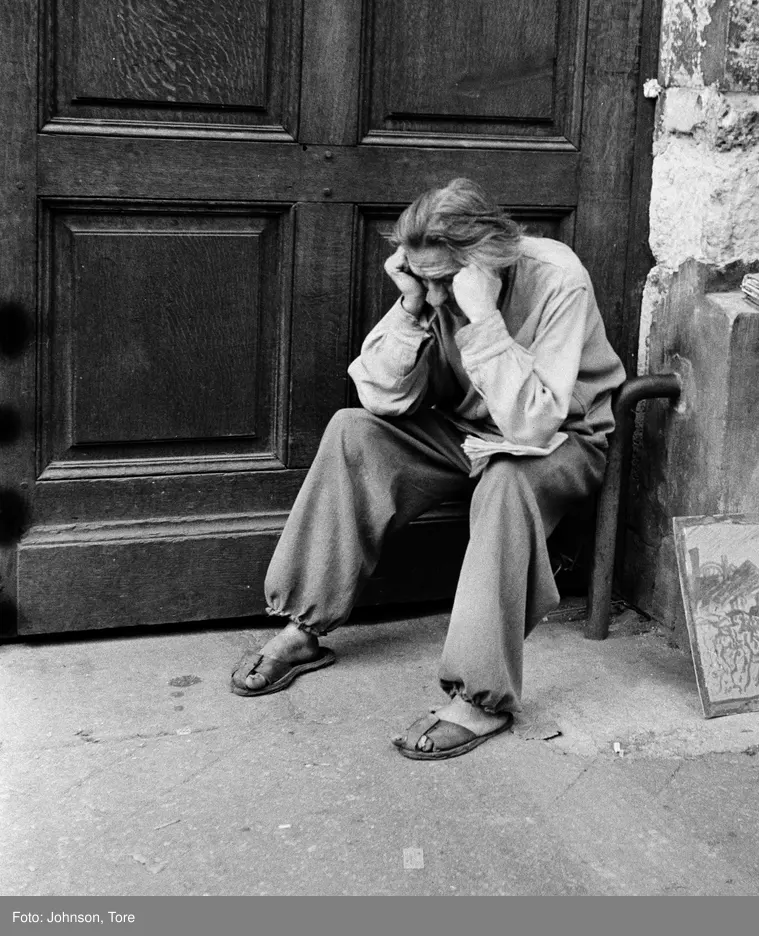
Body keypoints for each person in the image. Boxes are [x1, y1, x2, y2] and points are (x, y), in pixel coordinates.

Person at [229, 178, 626, 759]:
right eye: (422, 278)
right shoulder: (428, 288)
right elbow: (381, 397)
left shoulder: (558, 277)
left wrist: (484, 318)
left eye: (443, 282)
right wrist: (412, 307)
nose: (436, 295)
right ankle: (304, 627)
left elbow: (535, 423)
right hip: (466, 432)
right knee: (353, 431)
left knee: (508, 481)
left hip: (561, 440)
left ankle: (480, 700)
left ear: (486, 260)